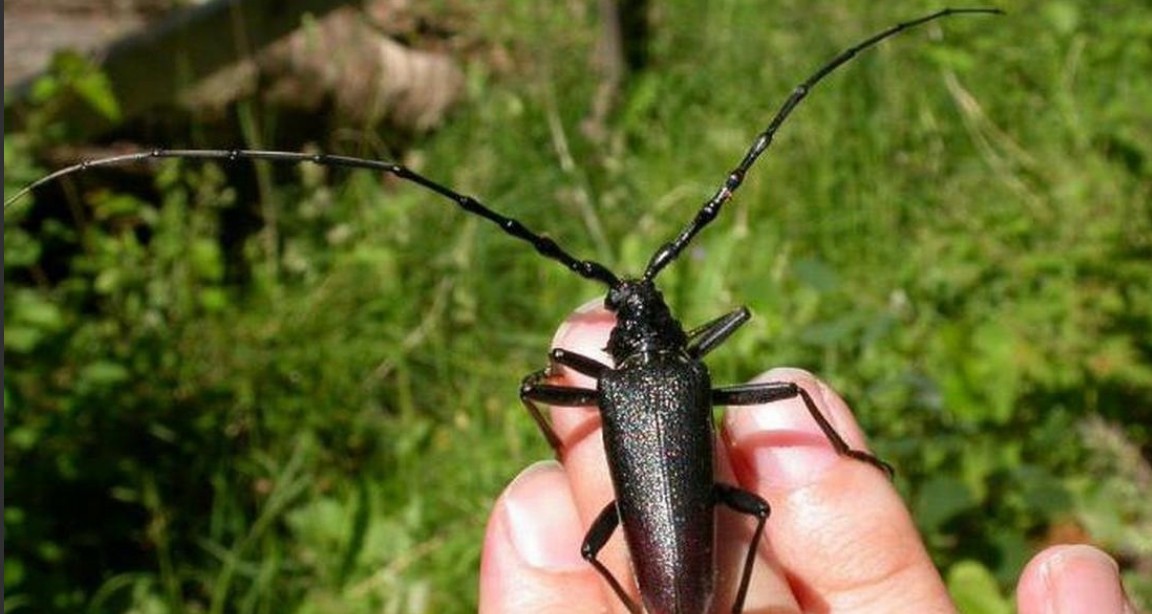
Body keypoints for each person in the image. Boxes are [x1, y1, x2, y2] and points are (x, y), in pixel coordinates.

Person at [478, 303, 1136, 613]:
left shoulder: (612, 383)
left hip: (663, 578)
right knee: (763, 475)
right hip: (695, 574)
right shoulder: (684, 373)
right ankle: (838, 457)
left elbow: (545, 378)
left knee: (592, 547)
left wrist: (557, 426)